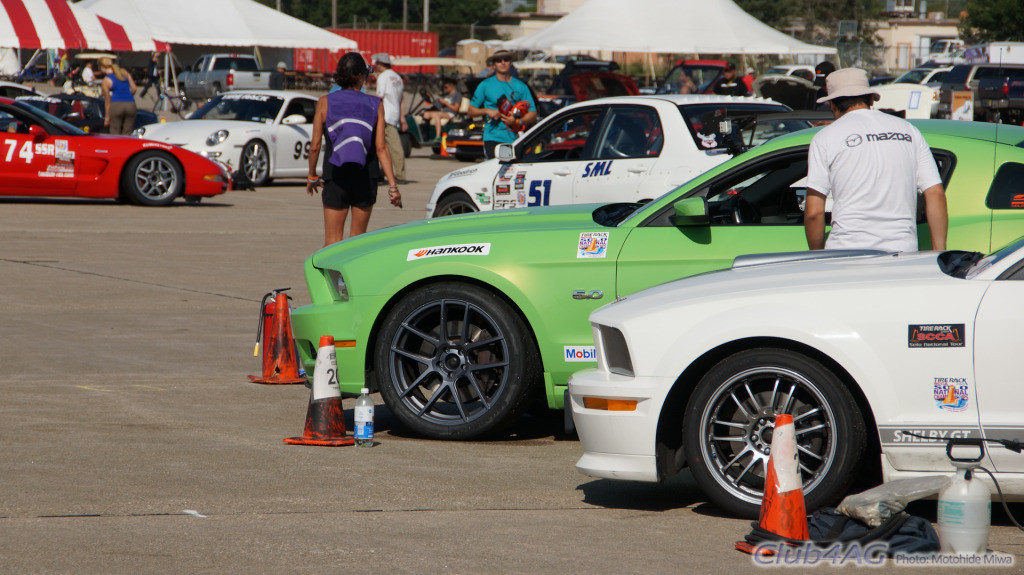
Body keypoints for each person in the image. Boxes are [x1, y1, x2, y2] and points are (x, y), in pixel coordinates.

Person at [804, 68, 948, 253]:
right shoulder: (909, 131)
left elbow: (814, 213)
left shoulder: (825, 138)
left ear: (832, 104)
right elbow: (935, 193)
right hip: (902, 252)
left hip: (845, 254)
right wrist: (938, 252)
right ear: (871, 99)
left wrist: (817, 258)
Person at [307, 52, 401, 247]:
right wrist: (393, 186)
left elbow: (315, 146)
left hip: (336, 176)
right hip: (365, 178)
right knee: (357, 242)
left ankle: (331, 278)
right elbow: (381, 148)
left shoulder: (325, 102)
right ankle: (352, 279)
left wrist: (311, 176)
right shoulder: (376, 104)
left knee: (332, 242)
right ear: (360, 76)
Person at [468, 50, 537, 160]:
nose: (503, 62)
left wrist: (517, 121)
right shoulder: (485, 85)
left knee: (508, 171)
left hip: (513, 138)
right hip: (492, 137)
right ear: (494, 64)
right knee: (494, 169)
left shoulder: (521, 86)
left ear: (510, 62)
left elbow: (533, 114)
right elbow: (471, 110)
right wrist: (487, 111)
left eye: (506, 59)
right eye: (499, 60)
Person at [372, 53, 407, 183]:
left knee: (388, 146)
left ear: (380, 64)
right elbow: (401, 99)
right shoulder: (397, 77)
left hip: (385, 116)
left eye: (376, 64)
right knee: (386, 146)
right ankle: (382, 172)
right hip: (394, 115)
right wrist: (402, 118)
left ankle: (400, 175)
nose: (375, 66)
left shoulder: (383, 77)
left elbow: (379, 97)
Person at [98, 57, 137, 135]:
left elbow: (107, 100)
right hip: (130, 104)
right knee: (127, 132)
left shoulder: (106, 80)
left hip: (116, 104)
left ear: (102, 67)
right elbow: (134, 88)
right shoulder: (124, 72)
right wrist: (128, 97)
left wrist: (107, 117)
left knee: (115, 132)